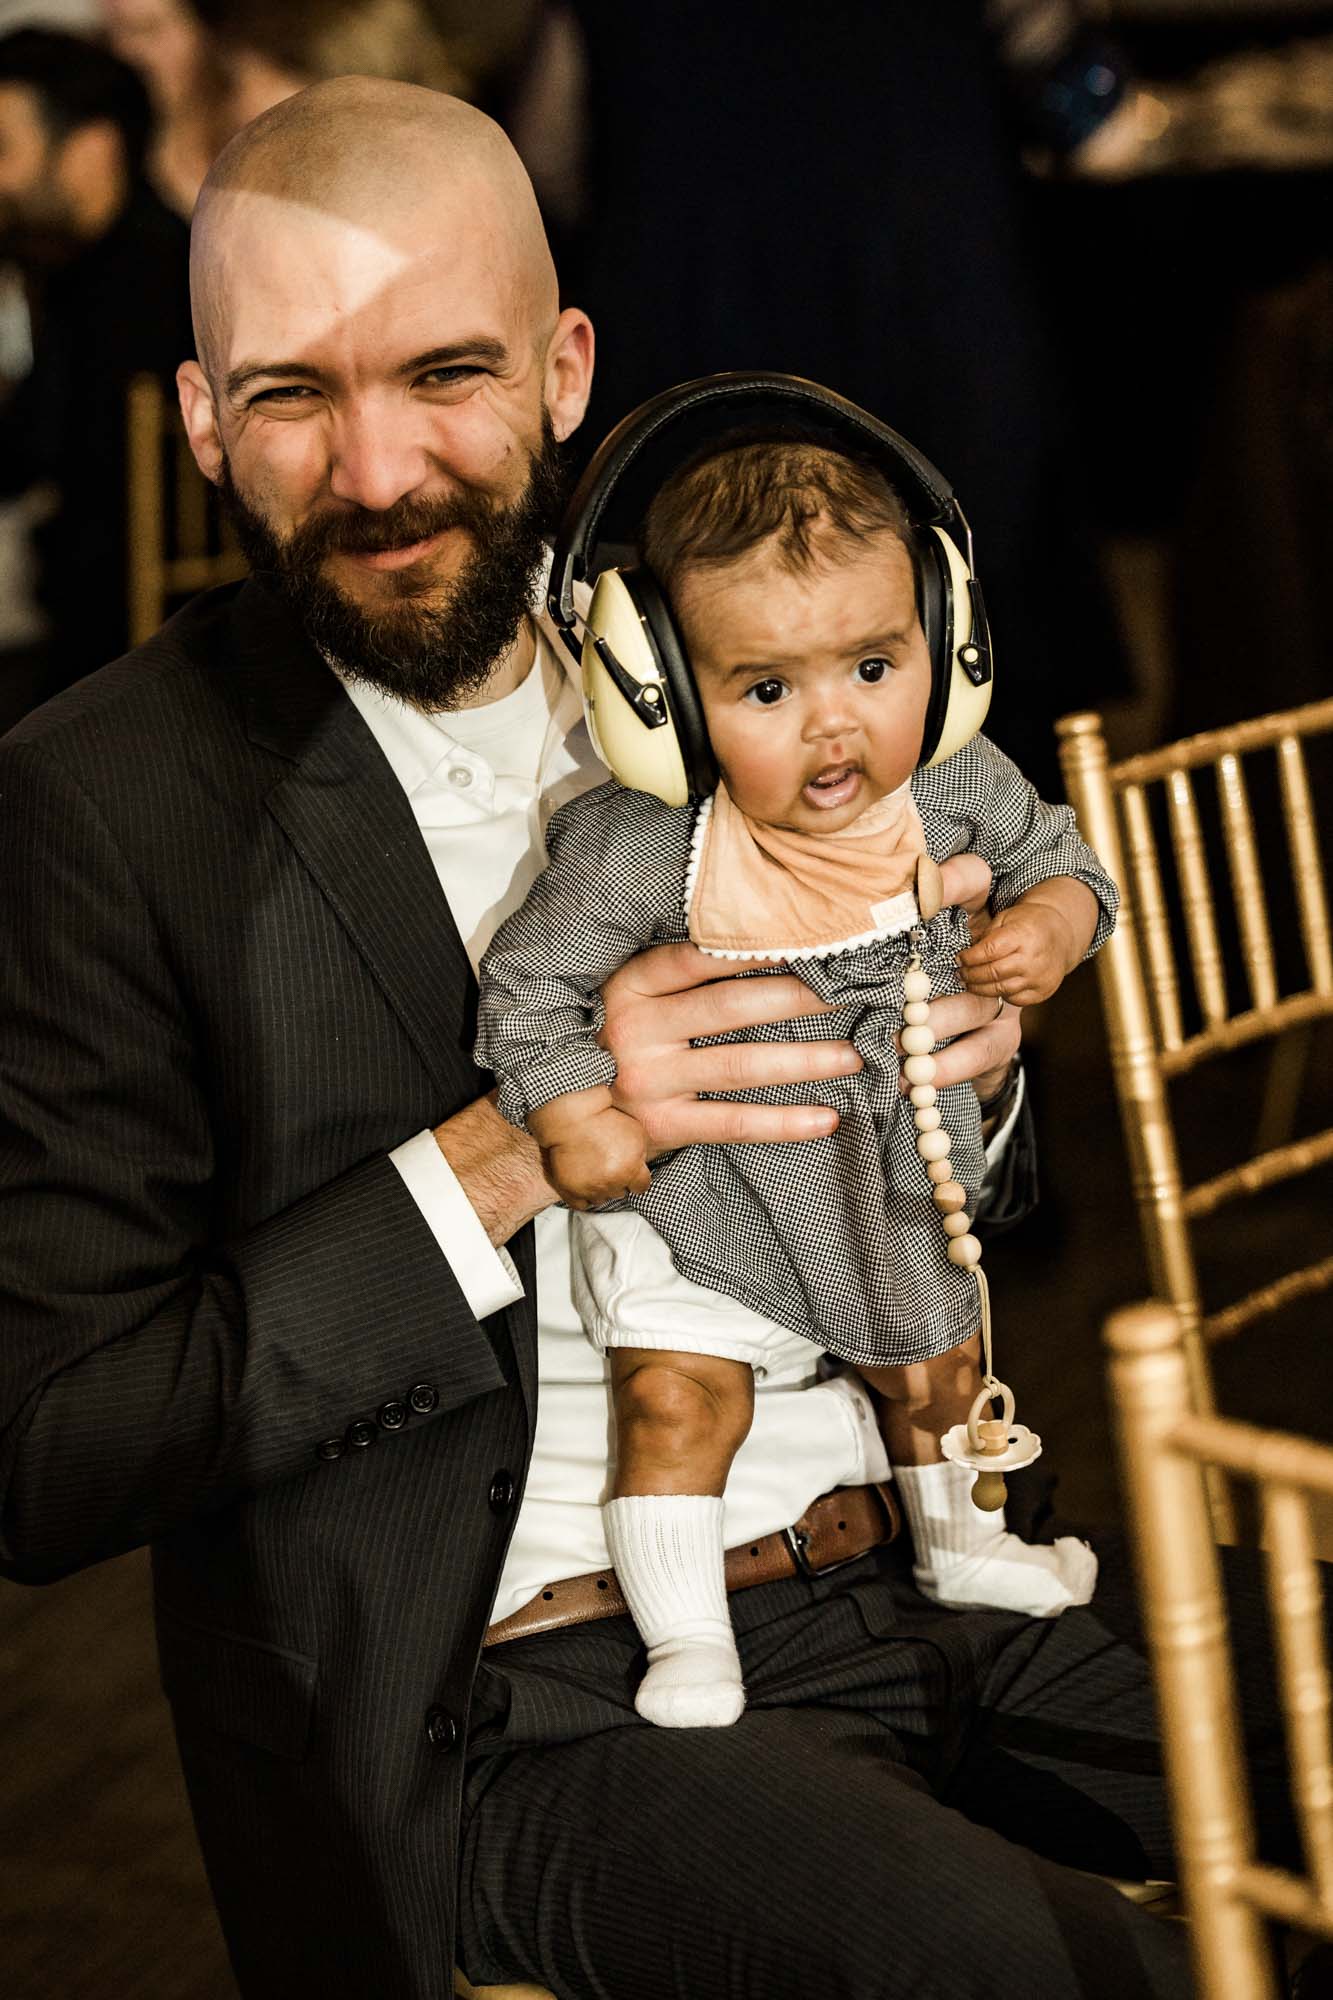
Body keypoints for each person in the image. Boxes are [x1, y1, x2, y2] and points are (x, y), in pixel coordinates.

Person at [0, 74, 1277, 2000]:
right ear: (199, 418)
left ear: (566, 366)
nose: (375, 471)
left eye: (446, 373)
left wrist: (969, 1088)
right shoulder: (98, 805)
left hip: (923, 1560)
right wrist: (505, 1156)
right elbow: (52, 1446)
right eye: (288, 398)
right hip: (530, 1696)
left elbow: (962, 1206)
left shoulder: (751, 651)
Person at [477, 429, 1115, 1728]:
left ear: (948, 643)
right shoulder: (646, 848)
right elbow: (529, 991)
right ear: (659, 696)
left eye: (875, 666)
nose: (835, 723)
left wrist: (1048, 928)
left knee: (937, 1373)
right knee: (673, 1400)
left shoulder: (949, 787)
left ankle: (963, 1545)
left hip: (879, 1160)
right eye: (765, 690)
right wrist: (568, 1104)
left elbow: (1073, 867)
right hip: (703, 1188)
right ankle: (688, 1639)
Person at [0, 27, 193, 697]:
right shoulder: (71, 273)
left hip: (138, 668)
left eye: (3, 150)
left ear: (91, 150)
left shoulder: (160, 287)